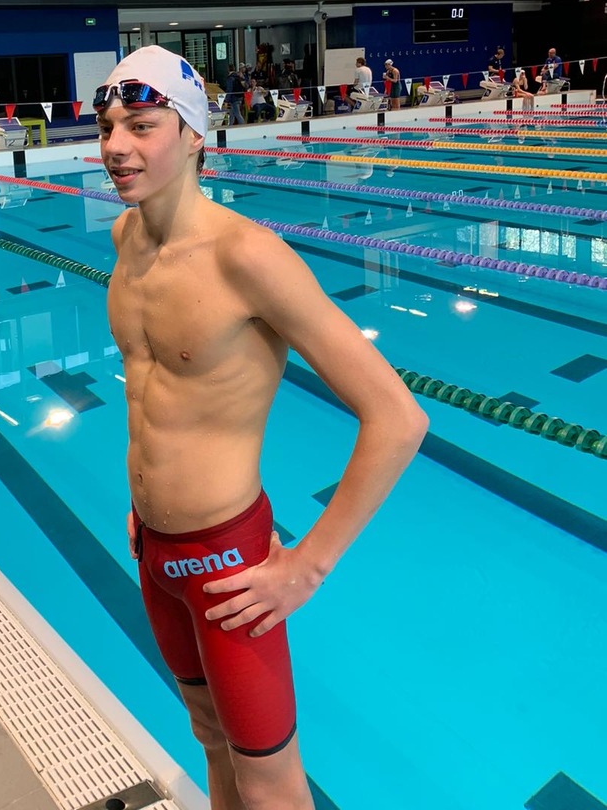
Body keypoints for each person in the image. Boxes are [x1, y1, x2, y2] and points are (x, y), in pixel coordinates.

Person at [95, 45, 428, 810]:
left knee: (270, 780)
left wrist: (307, 566)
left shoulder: (247, 257)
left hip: (228, 565)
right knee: (209, 736)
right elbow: (152, 397)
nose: (115, 146)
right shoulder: (125, 240)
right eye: (108, 126)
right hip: (153, 551)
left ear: (193, 136)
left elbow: (398, 417)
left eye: (141, 126)